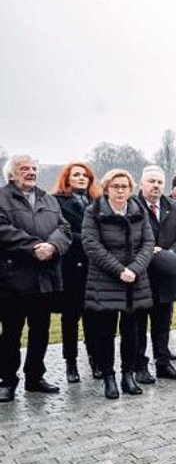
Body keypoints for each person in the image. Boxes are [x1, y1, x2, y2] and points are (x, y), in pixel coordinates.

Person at [0, 155, 72, 402]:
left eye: (33, 168)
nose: (31, 172)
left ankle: (35, 377)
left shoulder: (48, 198)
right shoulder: (1, 198)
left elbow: (65, 229)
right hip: (12, 279)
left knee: (40, 330)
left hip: (45, 278)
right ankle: (7, 380)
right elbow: (3, 231)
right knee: (11, 332)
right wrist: (34, 247)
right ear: (11, 175)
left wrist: (52, 246)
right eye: (24, 169)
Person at [82, 169, 155, 399]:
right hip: (105, 279)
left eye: (125, 186)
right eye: (116, 186)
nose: (121, 190)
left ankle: (128, 375)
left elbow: (148, 242)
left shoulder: (138, 210)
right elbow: (92, 245)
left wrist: (134, 269)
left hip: (135, 279)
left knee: (132, 331)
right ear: (106, 188)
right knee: (105, 332)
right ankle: (109, 378)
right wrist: (119, 270)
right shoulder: (93, 211)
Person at [135, 165, 176, 382]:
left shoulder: (174, 209)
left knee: (162, 323)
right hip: (141, 276)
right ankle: (139, 366)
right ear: (141, 184)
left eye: (160, 182)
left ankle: (162, 363)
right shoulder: (132, 207)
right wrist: (148, 252)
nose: (156, 186)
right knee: (138, 324)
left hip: (166, 277)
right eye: (151, 181)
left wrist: (169, 254)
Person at [50, 162, 100, 383]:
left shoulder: (98, 202)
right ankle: (71, 362)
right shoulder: (57, 202)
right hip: (71, 267)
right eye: (76, 175)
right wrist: (92, 242)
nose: (81, 178)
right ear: (67, 179)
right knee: (70, 318)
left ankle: (95, 359)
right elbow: (62, 231)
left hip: (95, 268)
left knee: (93, 317)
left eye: (85, 175)